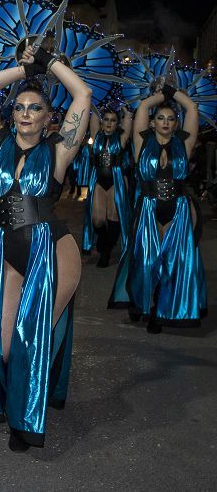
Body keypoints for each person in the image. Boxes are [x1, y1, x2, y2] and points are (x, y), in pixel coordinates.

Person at [0, 46, 91, 452]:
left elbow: (83, 95)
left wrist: (51, 61)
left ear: (47, 117)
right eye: (19, 106)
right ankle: (9, 399)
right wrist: (24, 67)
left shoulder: (59, 149)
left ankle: (23, 420)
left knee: (30, 335)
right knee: (0, 342)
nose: (24, 113)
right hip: (3, 246)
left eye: (34, 108)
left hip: (49, 247)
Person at [126, 86, 207, 332]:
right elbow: (142, 106)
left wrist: (172, 91)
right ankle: (144, 303)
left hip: (178, 209)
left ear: (176, 124)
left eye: (171, 119)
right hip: (149, 208)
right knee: (148, 262)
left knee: (172, 261)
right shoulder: (142, 140)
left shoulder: (185, 142)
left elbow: (192, 107)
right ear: (152, 122)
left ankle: (158, 311)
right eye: (160, 117)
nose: (165, 122)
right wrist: (161, 93)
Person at [83, 107, 133, 271]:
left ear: (117, 123)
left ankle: (106, 252)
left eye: (113, 120)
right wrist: (96, 104)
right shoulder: (96, 135)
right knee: (97, 220)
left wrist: (127, 113)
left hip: (116, 180)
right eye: (106, 119)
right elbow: (94, 117)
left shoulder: (122, 138)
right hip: (98, 180)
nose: (109, 123)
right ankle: (103, 242)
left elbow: (128, 121)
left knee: (113, 218)